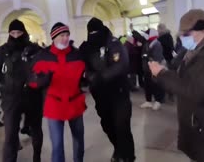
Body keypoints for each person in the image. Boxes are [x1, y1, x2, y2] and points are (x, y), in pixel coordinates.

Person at [149, 9, 204, 162]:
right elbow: (178, 75)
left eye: (186, 34)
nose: (182, 38)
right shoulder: (193, 50)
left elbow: (196, 90)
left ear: (203, 31)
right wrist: (160, 72)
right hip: (195, 125)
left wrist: (162, 74)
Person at [0, 19, 43, 162]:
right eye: (13, 33)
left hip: (33, 96)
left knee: (36, 130)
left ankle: (37, 158)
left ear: (24, 32)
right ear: (9, 33)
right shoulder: (2, 52)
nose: (16, 36)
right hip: (11, 98)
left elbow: (46, 70)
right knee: (10, 134)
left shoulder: (34, 50)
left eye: (19, 32)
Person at [80, 18, 135, 162]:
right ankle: (118, 149)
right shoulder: (86, 48)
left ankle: (128, 157)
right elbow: (82, 66)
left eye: (96, 32)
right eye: (91, 32)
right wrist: (89, 76)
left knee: (122, 126)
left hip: (119, 92)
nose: (94, 35)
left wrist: (100, 77)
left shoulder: (114, 43)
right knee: (107, 125)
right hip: (100, 95)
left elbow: (121, 65)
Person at [28, 22, 86, 162]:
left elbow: (85, 75)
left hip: (75, 103)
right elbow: (31, 80)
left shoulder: (77, 55)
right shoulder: (43, 56)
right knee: (57, 145)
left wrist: (90, 79)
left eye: (67, 35)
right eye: (61, 35)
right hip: (54, 104)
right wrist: (40, 81)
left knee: (79, 140)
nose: (65, 38)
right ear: (53, 37)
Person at [132, 27, 165, 110]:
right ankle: (148, 101)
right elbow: (139, 37)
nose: (145, 36)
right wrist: (133, 30)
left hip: (154, 69)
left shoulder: (157, 44)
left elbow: (157, 58)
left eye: (147, 34)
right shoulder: (148, 42)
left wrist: (147, 57)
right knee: (148, 85)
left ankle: (158, 101)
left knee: (156, 85)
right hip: (147, 69)